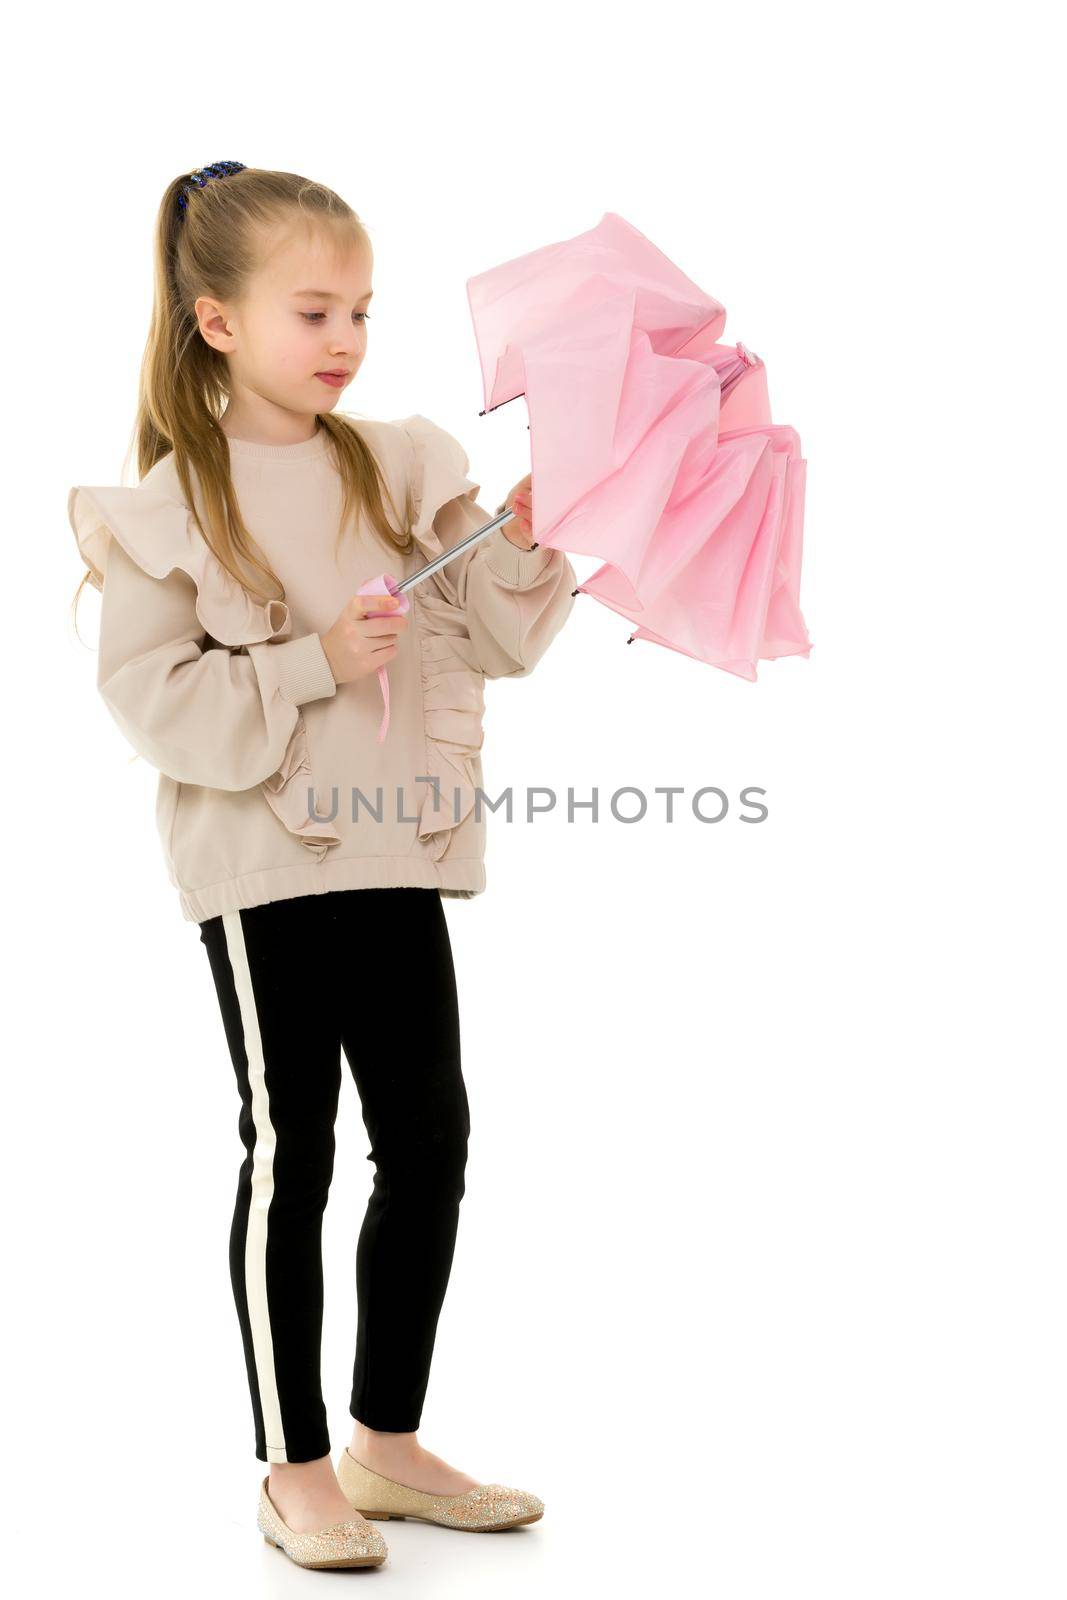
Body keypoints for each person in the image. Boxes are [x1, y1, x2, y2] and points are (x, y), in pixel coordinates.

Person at [68, 161, 575, 1572]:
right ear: (217, 319)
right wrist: (311, 660)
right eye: (313, 310)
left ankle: (387, 1441)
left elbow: (502, 641)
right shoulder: (175, 502)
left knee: (428, 1146)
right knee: (290, 1152)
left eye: (360, 309)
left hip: (390, 848)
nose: (347, 338)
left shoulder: (396, 461)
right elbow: (156, 700)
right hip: (263, 867)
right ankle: (292, 1466)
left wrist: (519, 539)